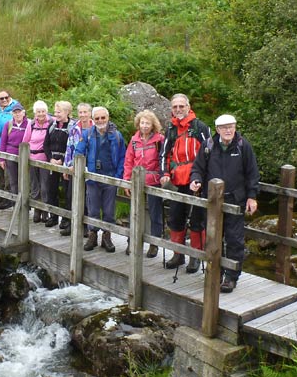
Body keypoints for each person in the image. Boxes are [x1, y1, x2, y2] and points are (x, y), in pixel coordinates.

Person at [190, 114, 260, 293]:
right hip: (212, 201)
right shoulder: (208, 146)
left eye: (231, 126)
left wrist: (252, 196)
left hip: (235, 199)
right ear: (218, 130)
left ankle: (231, 277)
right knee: (213, 238)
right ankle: (216, 271)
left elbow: (252, 173)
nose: (229, 130)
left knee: (234, 239)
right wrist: (196, 180)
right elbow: (198, 168)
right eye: (224, 127)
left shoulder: (243, 146)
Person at [160, 93, 211, 272]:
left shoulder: (200, 127)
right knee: (176, 217)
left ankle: (195, 256)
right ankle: (178, 254)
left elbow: (209, 153)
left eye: (181, 106)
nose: (178, 110)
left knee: (197, 219)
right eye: (175, 107)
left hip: (196, 181)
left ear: (188, 107)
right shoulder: (171, 130)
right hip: (176, 181)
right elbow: (164, 154)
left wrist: (203, 178)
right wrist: (164, 173)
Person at [75, 106, 126, 253]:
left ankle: (107, 237)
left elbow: (123, 156)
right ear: (93, 119)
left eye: (103, 118)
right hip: (92, 178)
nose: (100, 120)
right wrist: (79, 167)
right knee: (93, 209)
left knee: (109, 211)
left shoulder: (117, 135)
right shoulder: (88, 134)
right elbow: (79, 151)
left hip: (110, 178)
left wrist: (118, 176)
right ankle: (92, 236)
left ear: (108, 118)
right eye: (97, 118)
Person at [123, 110, 165, 258]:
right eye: (142, 123)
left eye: (148, 123)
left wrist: (163, 176)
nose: (145, 126)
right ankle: (132, 242)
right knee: (135, 213)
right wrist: (126, 181)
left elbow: (164, 160)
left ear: (153, 124)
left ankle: (154, 245)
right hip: (137, 182)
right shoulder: (134, 140)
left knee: (155, 214)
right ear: (138, 124)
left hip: (153, 182)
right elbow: (128, 161)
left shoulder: (160, 140)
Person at [61, 103, 94, 237]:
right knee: (70, 196)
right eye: (80, 112)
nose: (83, 115)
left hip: (89, 169)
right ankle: (70, 224)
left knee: (87, 198)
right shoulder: (74, 128)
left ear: (90, 113)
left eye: (85, 112)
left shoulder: (95, 129)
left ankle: (85, 226)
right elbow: (69, 148)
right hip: (74, 167)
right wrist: (66, 166)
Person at [44, 101, 76, 228]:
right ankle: (53, 216)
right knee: (52, 190)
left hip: (66, 163)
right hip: (52, 162)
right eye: (56, 112)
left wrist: (63, 160)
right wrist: (51, 158)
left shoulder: (72, 127)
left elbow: (72, 146)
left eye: (59, 112)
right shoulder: (52, 125)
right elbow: (46, 144)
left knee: (67, 192)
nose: (56, 114)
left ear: (67, 112)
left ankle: (66, 218)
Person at [23, 100, 52, 223]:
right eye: (38, 111)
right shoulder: (31, 124)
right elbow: (25, 140)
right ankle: (37, 210)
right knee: (35, 187)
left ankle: (45, 211)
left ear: (46, 112)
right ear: (35, 113)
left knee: (45, 187)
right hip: (32, 158)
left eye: (43, 111)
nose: (41, 114)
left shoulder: (51, 123)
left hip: (44, 159)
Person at [0, 102, 29, 210]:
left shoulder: (29, 124)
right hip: (10, 155)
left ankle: (25, 203)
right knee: (12, 180)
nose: (17, 114)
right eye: (15, 112)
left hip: (24, 157)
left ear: (23, 112)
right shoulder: (8, 124)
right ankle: (15, 203)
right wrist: (2, 158)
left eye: (19, 112)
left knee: (24, 180)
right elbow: (3, 142)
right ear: (12, 114)